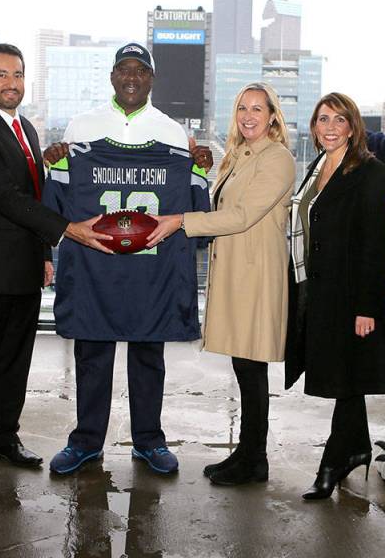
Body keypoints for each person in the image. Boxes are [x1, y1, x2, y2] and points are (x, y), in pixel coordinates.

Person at [40, 43, 212, 476]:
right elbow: (56, 203)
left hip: (151, 271)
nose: (131, 77)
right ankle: (85, 441)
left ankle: (149, 440)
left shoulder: (173, 133)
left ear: (151, 78)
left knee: (148, 357)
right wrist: (54, 166)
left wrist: (198, 169)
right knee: (91, 355)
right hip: (95, 268)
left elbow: (195, 208)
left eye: (140, 70)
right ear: (112, 76)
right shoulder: (81, 127)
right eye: (124, 69)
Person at [0, 43, 112, 499]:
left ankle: (2, 438)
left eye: (18, 74)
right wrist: (68, 230)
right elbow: (4, 197)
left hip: (22, 269)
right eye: (2, 75)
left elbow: (35, 192)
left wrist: (43, 253)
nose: (12, 83)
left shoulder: (26, 130)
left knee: (13, 363)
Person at [146, 82, 295, 485]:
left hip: (256, 275)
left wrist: (180, 222)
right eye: (243, 108)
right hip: (237, 272)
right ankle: (247, 453)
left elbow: (242, 216)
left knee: (252, 367)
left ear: (272, 117)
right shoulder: (238, 155)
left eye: (257, 109)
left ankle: (255, 459)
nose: (248, 116)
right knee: (244, 366)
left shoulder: (277, 158)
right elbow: (221, 205)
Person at [283, 92, 385, 500]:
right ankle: (357, 448)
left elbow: (374, 244)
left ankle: (332, 462)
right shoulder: (316, 167)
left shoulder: (370, 172)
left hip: (348, 293)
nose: (329, 127)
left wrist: (367, 308)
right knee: (345, 374)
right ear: (314, 127)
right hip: (316, 286)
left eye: (338, 119)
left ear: (352, 127)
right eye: (323, 119)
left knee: (344, 376)